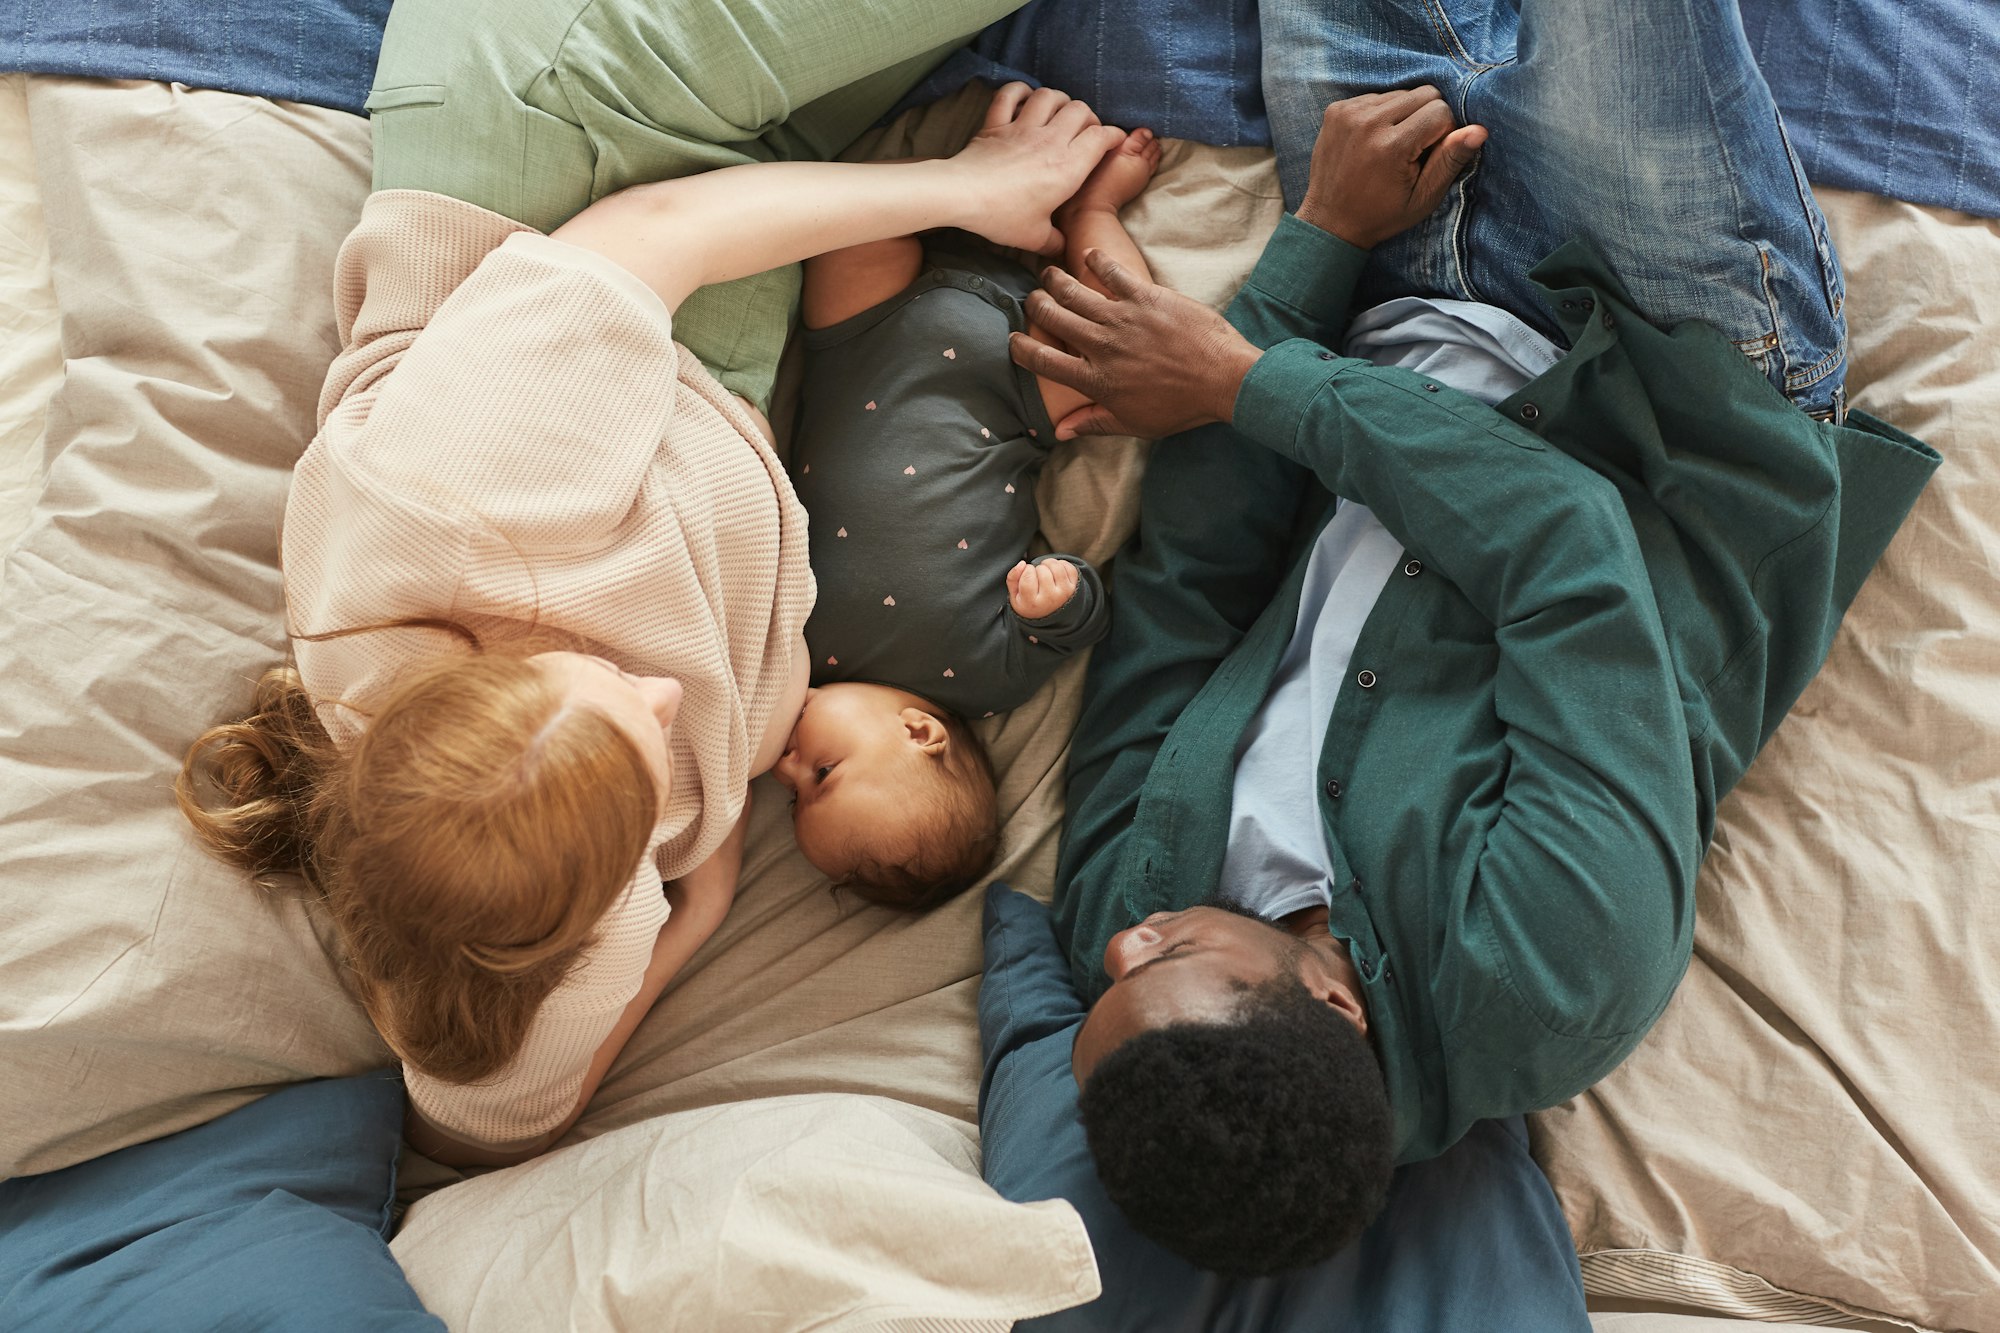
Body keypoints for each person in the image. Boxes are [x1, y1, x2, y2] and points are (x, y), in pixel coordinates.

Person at [1005, 0, 1940, 1277]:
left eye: (1108, 981)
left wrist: (1315, 246)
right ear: (1331, 1001)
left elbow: (1187, 587)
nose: (1121, 941)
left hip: (1384, 293)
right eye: (1161, 959)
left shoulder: (1122, 912)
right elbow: (1567, 545)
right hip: (1660, 369)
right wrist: (1241, 384)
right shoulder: (1548, 973)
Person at [178, 0, 1129, 1167]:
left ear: (492, 664)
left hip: (584, 126)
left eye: (616, 683)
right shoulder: (519, 925)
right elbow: (489, 1120)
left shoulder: (456, 501)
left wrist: (968, 191)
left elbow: (659, 228)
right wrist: (705, 906)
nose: (673, 704)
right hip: (724, 319)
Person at [777, 125, 1163, 907]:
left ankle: (966, 171)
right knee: (1138, 360)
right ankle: (1093, 214)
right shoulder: (993, 678)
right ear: (921, 735)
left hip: (864, 337)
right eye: (820, 775)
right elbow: (1077, 624)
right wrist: (1060, 594)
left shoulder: (790, 663)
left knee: (850, 218)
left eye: (795, 793)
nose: (786, 766)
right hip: (1017, 385)